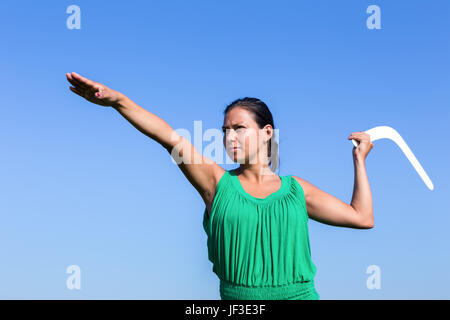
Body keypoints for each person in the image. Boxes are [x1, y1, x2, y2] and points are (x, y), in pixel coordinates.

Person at [66, 72, 375, 300]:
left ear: (267, 132)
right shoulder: (217, 184)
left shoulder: (296, 191)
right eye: (225, 130)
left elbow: (362, 217)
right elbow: (170, 138)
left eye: (239, 128)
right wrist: (118, 101)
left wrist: (359, 161)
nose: (230, 137)